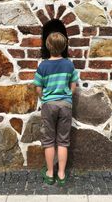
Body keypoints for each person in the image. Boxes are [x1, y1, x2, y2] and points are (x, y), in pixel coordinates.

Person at [33, 31, 78, 186]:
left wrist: (44, 98)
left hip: (49, 105)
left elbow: (38, 88)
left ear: (48, 46)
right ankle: (61, 174)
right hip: (65, 105)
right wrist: (67, 96)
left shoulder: (43, 66)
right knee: (63, 141)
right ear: (64, 46)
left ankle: (50, 173)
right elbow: (73, 86)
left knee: (49, 141)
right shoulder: (69, 64)